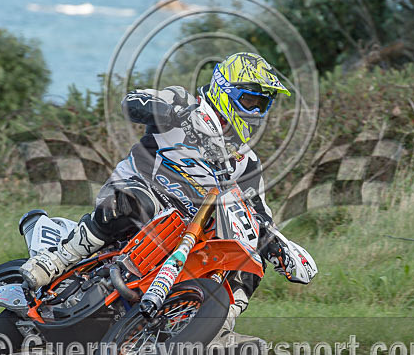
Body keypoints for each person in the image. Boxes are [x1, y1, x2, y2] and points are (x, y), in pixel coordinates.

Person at [21, 52, 317, 339]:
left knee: (248, 252)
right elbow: (132, 103)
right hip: (136, 190)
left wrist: (281, 247)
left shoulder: (246, 161)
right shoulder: (182, 102)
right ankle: (58, 259)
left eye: (262, 104)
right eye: (250, 101)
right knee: (139, 203)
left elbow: (259, 215)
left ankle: (218, 325)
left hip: (185, 232)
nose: (255, 112)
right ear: (226, 90)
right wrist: (175, 113)